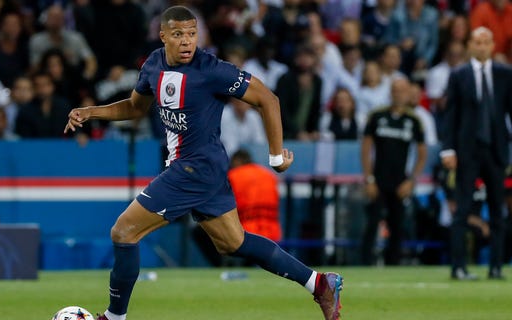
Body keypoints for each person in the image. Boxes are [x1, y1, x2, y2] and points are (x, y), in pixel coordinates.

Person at [63, 6, 343, 320]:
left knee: (124, 231)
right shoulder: (153, 65)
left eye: (192, 34)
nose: (187, 41)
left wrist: (276, 156)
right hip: (200, 170)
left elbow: (268, 99)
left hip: (194, 169)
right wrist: (91, 112)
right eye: (179, 34)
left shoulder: (212, 69)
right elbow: (134, 107)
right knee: (232, 242)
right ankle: (318, 283)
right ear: (163, 35)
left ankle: (114, 317)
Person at [441, 27, 511, 280]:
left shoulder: (505, 74)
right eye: (477, 42)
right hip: (467, 151)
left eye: (485, 42)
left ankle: (496, 267)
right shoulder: (459, 75)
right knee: (462, 211)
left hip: (496, 150)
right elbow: (450, 116)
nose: (481, 46)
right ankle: (458, 267)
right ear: (470, 45)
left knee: (497, 211)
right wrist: (448, 149)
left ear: (493, 46)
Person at [360, 78, 427, 266]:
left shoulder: (414, 120)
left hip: (400, 181)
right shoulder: (377, 116)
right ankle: (364, 264)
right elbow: (366, 148)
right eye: (395, 90)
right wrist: (369, 179)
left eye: (402, 91)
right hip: (378, 179)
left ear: (408, 94)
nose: (398, 94)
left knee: (397, 226)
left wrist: (411, 181)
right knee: (372, 223)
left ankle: (393, 266)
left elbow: (422, 153)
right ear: (390, 93)